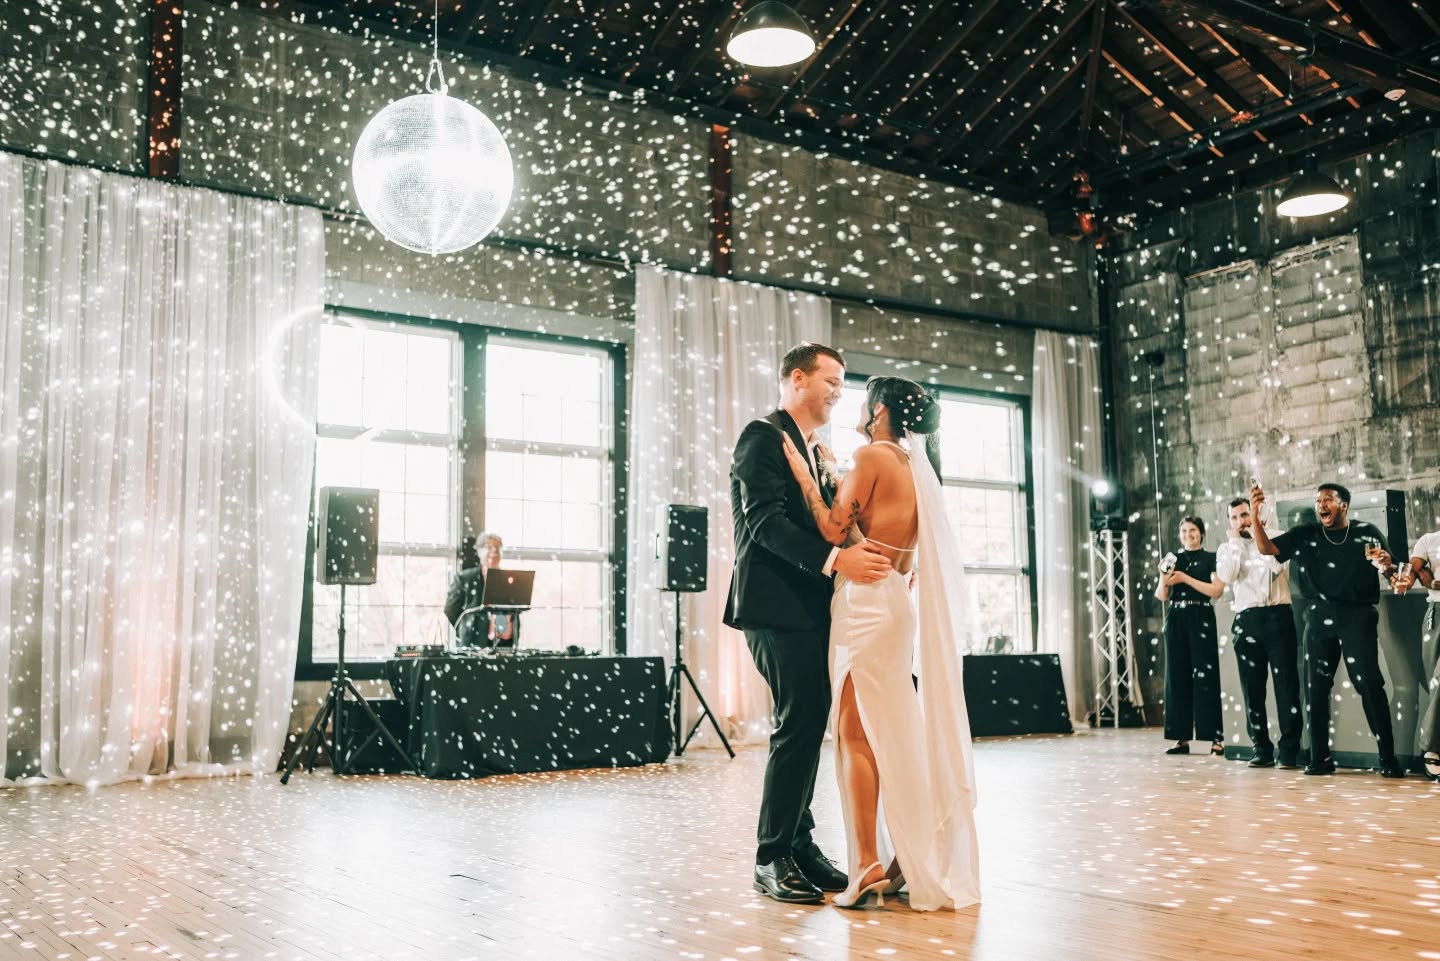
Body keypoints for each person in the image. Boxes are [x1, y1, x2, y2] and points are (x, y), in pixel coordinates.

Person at [779, 374, 980, 912]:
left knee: (854, 731)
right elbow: (906, 555)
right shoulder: (918, 468)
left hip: (864, 602)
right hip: (895, 600)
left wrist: (805, 475)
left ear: (882, 410)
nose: (859, 408)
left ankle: (867, 860)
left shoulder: (870, 458)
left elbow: (832, 527)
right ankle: (904, 854)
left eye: (865, 400)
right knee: (892, 727)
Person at [724, 343, 893, 906]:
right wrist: (836, 562)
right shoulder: (761, 438)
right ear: (797, 379)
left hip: (808, 607)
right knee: (798, 723)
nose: (839, 392)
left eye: (843, 384)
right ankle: (771, 856)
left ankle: (801, 844)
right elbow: (764, 524)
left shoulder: (815, 448)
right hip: (773, 606)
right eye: (832, 380)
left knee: (810, 720)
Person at [1249, 482, 1404, 777]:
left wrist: (1387, 565)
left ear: (1343, 505)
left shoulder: (1366, 532)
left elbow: (1391, 568)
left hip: (1358, 615)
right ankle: (1319, 759)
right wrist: (1255, 515)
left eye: (1328, 500)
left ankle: (1388, 759)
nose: (1321, 504)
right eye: (1318, 500)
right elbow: (1265, 547)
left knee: (1369, 684)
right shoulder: (1307, 534)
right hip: (1319, 616)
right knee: (1316, 689)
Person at [1215, 497, 1301, 768]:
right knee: (1252, 689)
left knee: (1286, 686)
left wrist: (1257, 535)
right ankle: (1260, 747)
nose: (1241, 521)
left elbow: (1277, 567)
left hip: (1278, 616)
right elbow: (1227, 576)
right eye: (1235, 517)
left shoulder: (1276, 538)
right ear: (1229, 522)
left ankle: (1289, 751)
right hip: (1246, 619)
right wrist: (1237, 543)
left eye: (1245, 515)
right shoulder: (1227, 548)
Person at [1155, 515, 1225, 757]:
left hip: (1202, 615)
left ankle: (1216, 736)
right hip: (1176, 617)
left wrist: (1184, 578)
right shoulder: (1173, 559)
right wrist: (1164, 578)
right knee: (1176, 676)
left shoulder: (1211, 558)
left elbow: (1216, 590)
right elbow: (1162, 595)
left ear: (1201, 533)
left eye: (1192, 530)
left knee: (1207, 675)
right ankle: (1180, 737)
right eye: (1184, 531)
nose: (1188, 535)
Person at [1394, 528, 1440, 779]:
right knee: (1434, 684)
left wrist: (1430, 578)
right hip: (1435, 616)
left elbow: (1426, 575)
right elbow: (1413, 571)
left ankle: (1431, 747)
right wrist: (1417, 575)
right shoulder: (1429, 539)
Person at [443, 532, 516, 648]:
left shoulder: (509, 581)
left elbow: (514, 612)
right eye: (489, 547)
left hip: (503, 644)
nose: (494, 552)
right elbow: (450, 611)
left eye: (498, 548)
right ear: (479, 551)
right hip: (472, 645)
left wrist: (509, 627)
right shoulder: (464, 579)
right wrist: (465, 629)